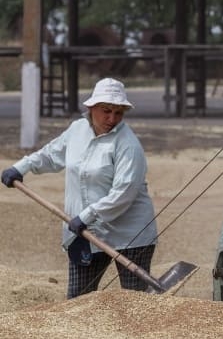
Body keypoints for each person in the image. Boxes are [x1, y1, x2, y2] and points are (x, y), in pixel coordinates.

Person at [1, 77, 158, 299]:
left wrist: (86, 215)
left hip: (130, 234)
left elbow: (124, 193)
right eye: (106, 111)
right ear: (91, 107)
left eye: (118, 113)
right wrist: (21, 167)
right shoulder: (77, 130)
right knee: (77, 300)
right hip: (85, 231)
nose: (112, 118)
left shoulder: (128, 145)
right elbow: (51, 155)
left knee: (135, 302)